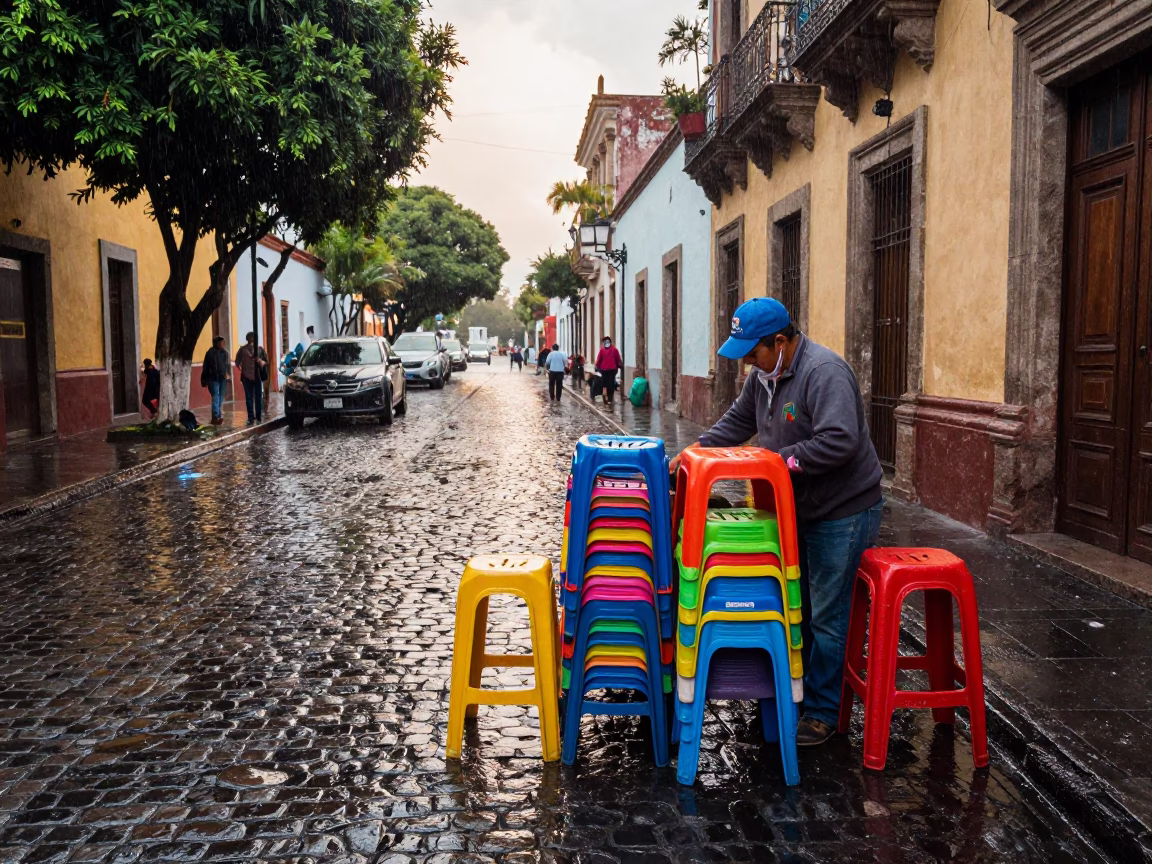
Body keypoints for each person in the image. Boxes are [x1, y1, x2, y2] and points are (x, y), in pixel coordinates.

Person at [669, 297, 884, 748]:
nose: (748, 362)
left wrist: (775, 462)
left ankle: (824, 712)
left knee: (827, 615)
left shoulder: (823, 373)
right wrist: (696, 453)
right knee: (795, 606)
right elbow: (736, 423)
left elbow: (840, 441)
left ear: (781, 342)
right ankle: (797, 693)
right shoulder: (763, 378)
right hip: (793, 511)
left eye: (753, 352)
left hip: (841, 511)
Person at [234, 331, 268, 425]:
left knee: (250, 398)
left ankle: (251, 416)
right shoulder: (259, 349)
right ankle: (257, 416)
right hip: (253, 377)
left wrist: (244, 368)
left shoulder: (243, 350)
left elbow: (237, 363)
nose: (252, 339)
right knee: (256, 397)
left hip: (248, 377)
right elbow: (266, 362)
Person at [201, 336, 231, 424]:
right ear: (217, 343)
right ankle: (216, 416)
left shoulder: (225, 353)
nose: (223, 344)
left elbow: (227, 365)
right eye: (222, 342)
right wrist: (205, 378)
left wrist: (228, 375)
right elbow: (205, 366)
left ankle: (217, 414)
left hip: (222, 378)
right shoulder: (210, 353)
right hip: (212, 378)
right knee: (215, 396)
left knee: (221, 396)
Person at [594, 336, 623, 407]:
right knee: (610, 384)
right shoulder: (614, 350)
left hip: (605, 369)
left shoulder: (602, 350)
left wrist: (597, 366)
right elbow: (618, 359)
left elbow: (599, 360)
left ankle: (605, 394)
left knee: (605, 383)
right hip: (612, 369)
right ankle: (609, 399)